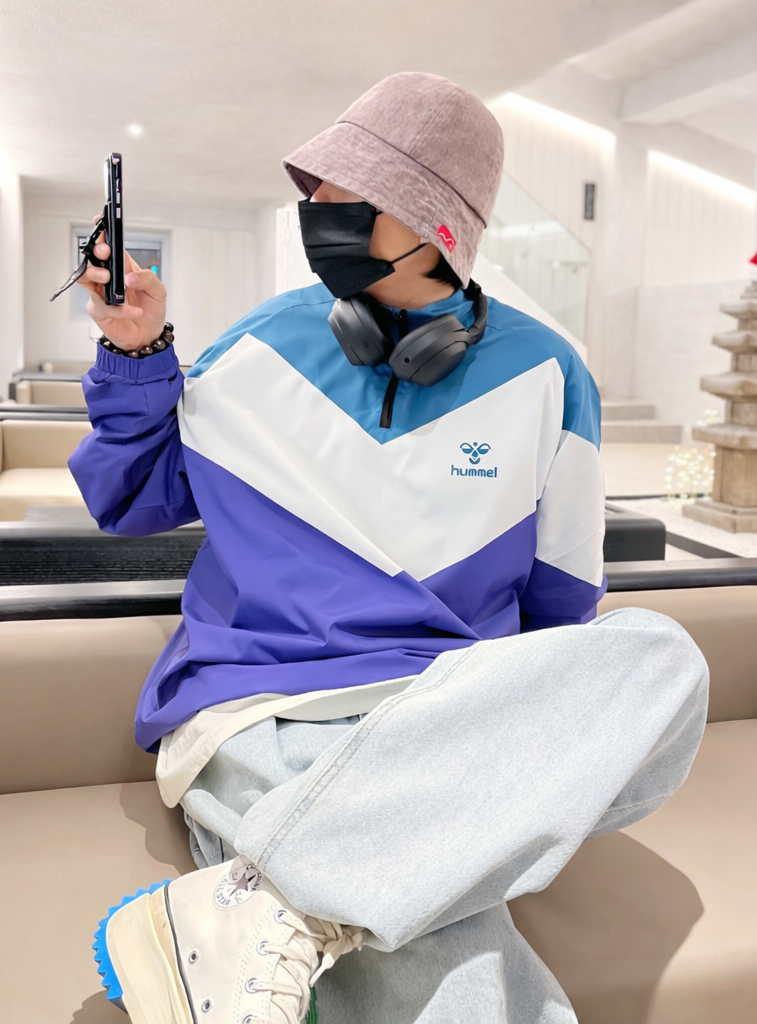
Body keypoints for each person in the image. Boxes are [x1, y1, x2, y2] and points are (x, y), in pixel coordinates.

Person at [73, 73, 708, 1024]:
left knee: (661, 657)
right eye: (316, 187)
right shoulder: (256, 348)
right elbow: (130, 502)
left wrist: (486, 740)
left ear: (436, 224)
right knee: (463, 979)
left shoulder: (548, 375)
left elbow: (563, 609)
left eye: (351, 192)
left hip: (445, 717)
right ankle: (328, 882)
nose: (317, 206)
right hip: (264, 707)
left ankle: (269, 902)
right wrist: (135, 352)